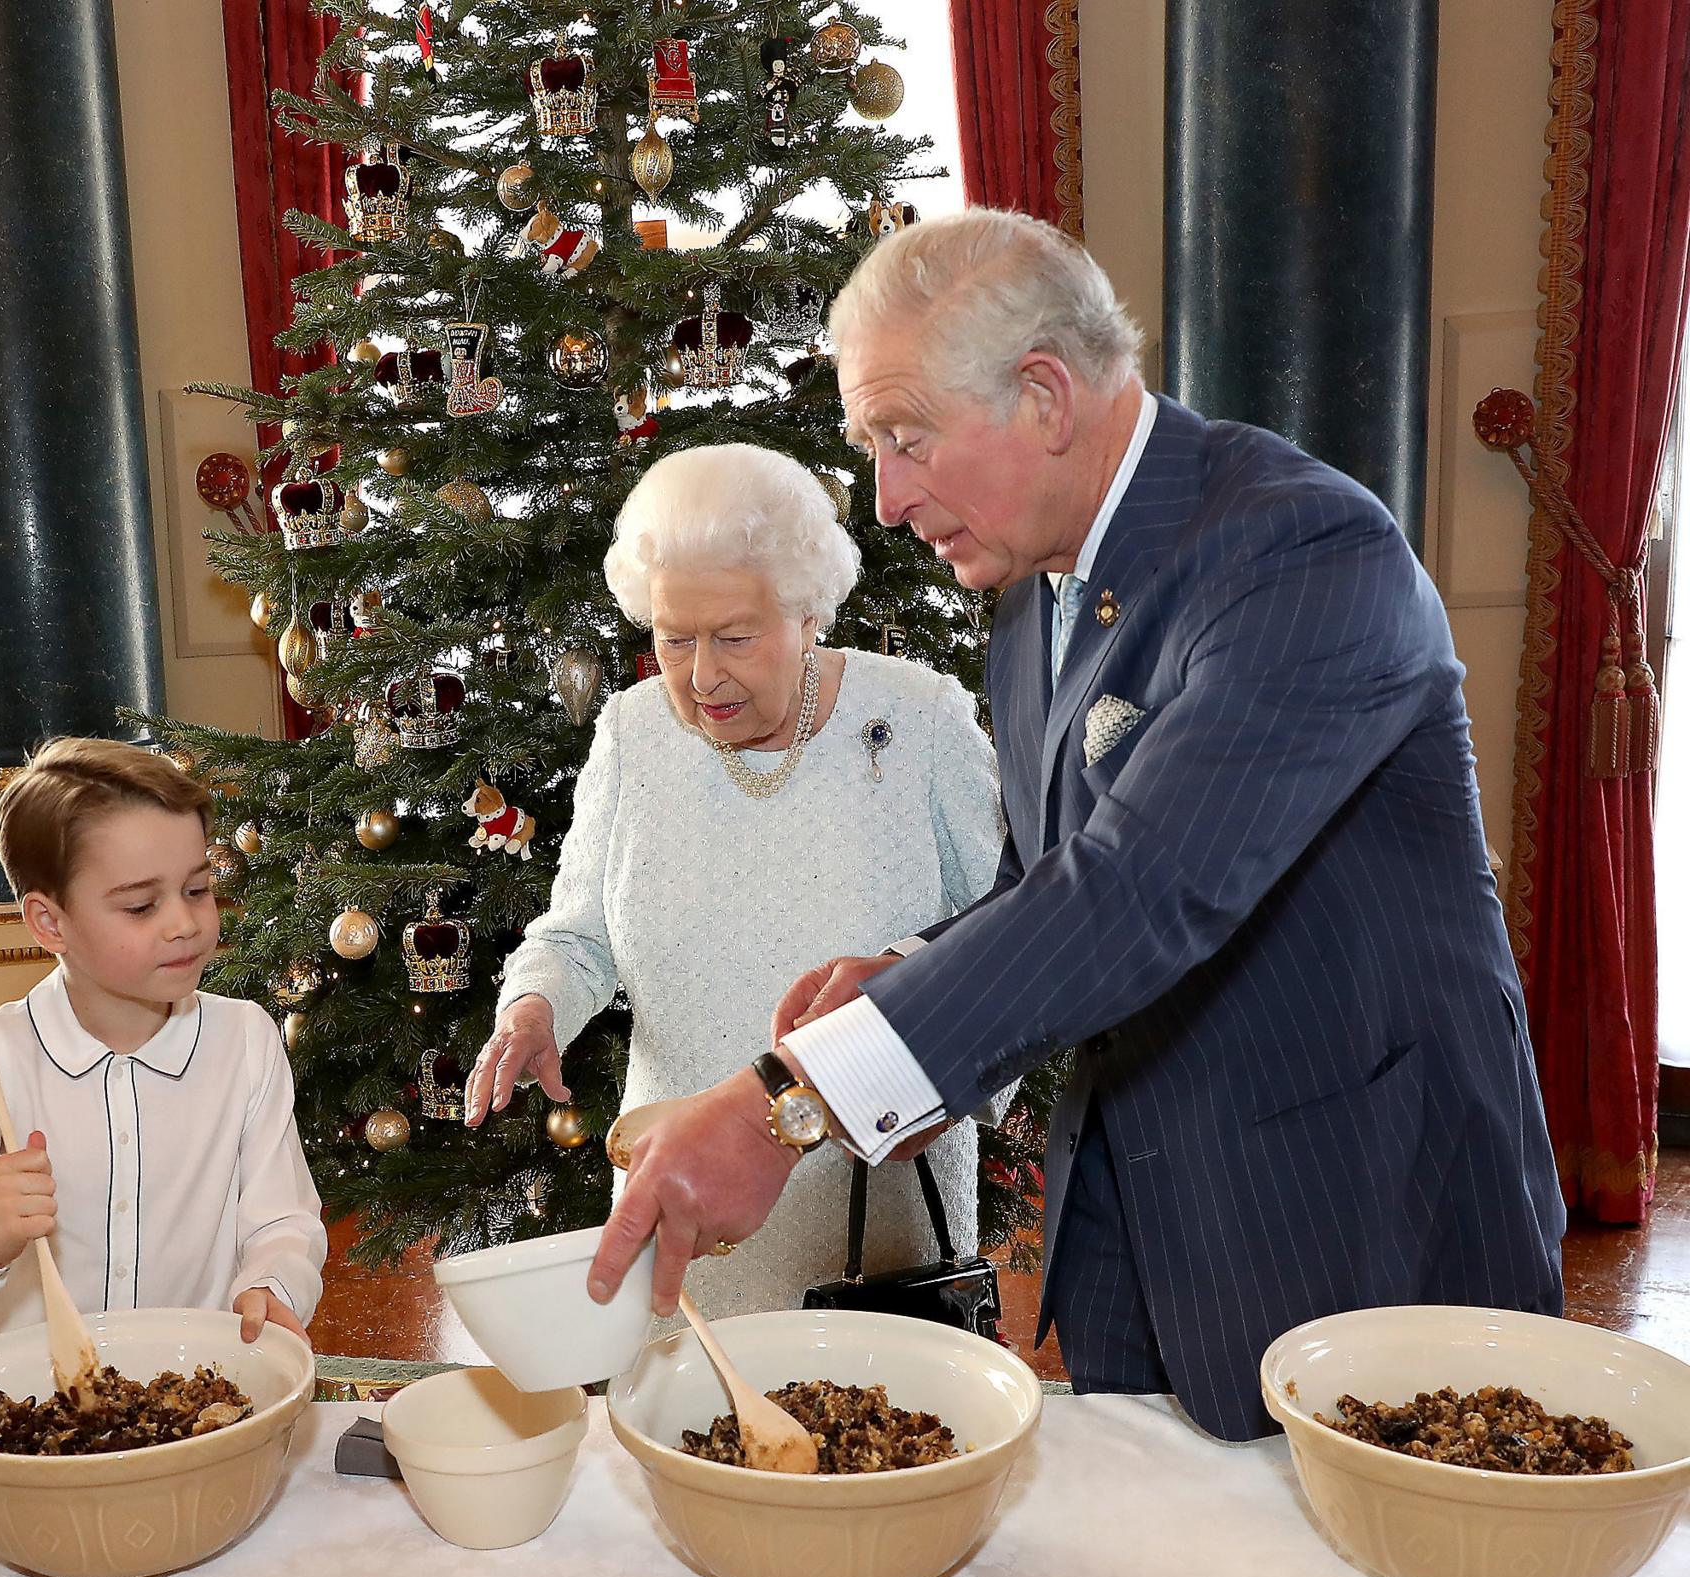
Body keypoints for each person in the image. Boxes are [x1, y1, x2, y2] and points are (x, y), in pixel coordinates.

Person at [589, 209, 1564, 1441]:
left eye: (903, 438)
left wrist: (787, 1103)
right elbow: (1047, 879)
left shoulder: (1302, 554)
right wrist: (912, 969)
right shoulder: (1035, 589)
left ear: (1045, 396)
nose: (885, 500)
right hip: (1144, 1227)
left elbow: (1137, 891)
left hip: (1355, 1214)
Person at [466, 443, 1004, 1315]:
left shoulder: (918, 719)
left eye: (736, 637)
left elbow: (1012, 938)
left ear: (808, 613)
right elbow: (577, 936)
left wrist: (951, 1085)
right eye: (674, 639)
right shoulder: (634, 734)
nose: (702, 674)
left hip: (874, 1218)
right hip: (679, 1202)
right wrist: (534, 1007)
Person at [0, 738, 325, 1344]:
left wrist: (272, 1283)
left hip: (197, 1390)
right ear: (50, 922)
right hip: (39, 1415)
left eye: (196, 889)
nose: (184, 924)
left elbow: (283, 1220)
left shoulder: (245, 1041)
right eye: (140, 906)